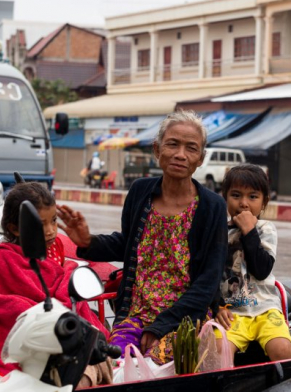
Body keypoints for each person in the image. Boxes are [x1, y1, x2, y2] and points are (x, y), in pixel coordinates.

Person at [59, 110, 227, 365]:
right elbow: (129, 244)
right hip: (135, 314)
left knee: (152, 367)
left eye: (191, 148)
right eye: (173, 144)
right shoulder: (140, 192)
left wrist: (160, 326)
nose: (181, 154)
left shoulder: (212, 206)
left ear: (200, 158)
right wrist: (88, 242)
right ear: (157, 149)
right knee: (111, 364)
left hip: (185, 318)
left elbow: (208, 282)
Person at [0, 182, 112, 388]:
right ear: (14, 228)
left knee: (94, 360)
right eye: (40, 225)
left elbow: (60, 280)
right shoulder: (3, 258)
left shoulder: (54, 248)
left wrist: (67, 280)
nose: (50, 231)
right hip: (29, 346)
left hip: (67, 336)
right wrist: (42, 314)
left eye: (54, 221)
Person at [214, 164, 291, 362]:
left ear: (264, 202)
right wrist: (216, 307)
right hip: (231, 312)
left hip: (265, 309)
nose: (244, 203)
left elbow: (262, 269)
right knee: (217, 352)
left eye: (252, 196)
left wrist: (250, 231)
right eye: (236, 195)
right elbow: (210, 273)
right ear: (225, 198)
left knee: (282, 349)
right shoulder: (217, 232)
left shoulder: (266, 229)